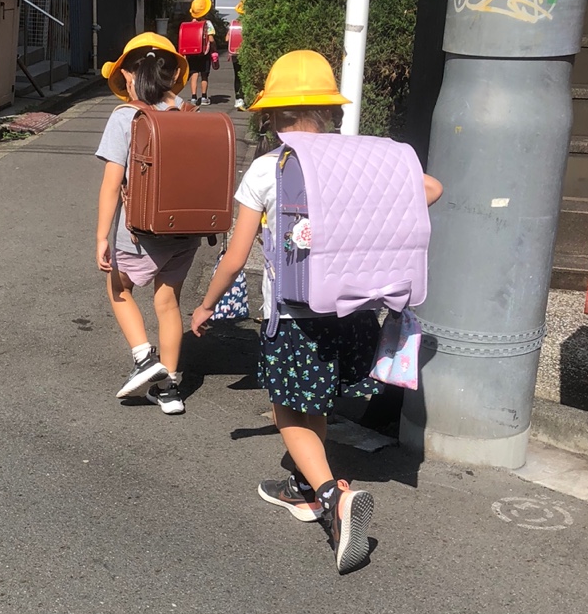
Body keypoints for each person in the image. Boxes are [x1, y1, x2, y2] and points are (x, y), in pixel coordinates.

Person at [190, 50, 443, 573]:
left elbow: (236, 256)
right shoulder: (355, 160)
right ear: (329, 112)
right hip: (353, 314)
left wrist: (208, 304)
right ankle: (301, 488)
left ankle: (333, 498)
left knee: (287, 410)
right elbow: (432, 189)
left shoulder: (268, 168)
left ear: (272, 117)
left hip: (294, 320)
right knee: (316, 403)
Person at [95, 32, 200, 415]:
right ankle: (169, 389)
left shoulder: (126, 117)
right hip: (186, 230)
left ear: (127, 74)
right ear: (173, 74)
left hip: (140, 233)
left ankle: (143, 357)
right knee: (168, 303)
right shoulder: (189, 113)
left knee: (118, 286)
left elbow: (112, 184)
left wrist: (101, 237)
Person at [179, 0, 216, 106]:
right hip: (204, 53)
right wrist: (214, 48)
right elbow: (211, 39)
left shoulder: (190, 24)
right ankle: (204, 97)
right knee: (204, 75)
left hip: (192, 53)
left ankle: (194, 97)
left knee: (194, 74)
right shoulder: (207, 24)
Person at [227, 0, 246, 109]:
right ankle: (245, 98)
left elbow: (227, 39)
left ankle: (238, 99)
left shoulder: (233, 23)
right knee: (246, 76)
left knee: (237, 76)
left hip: (235, 54)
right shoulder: (250, 23)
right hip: (246, 53)